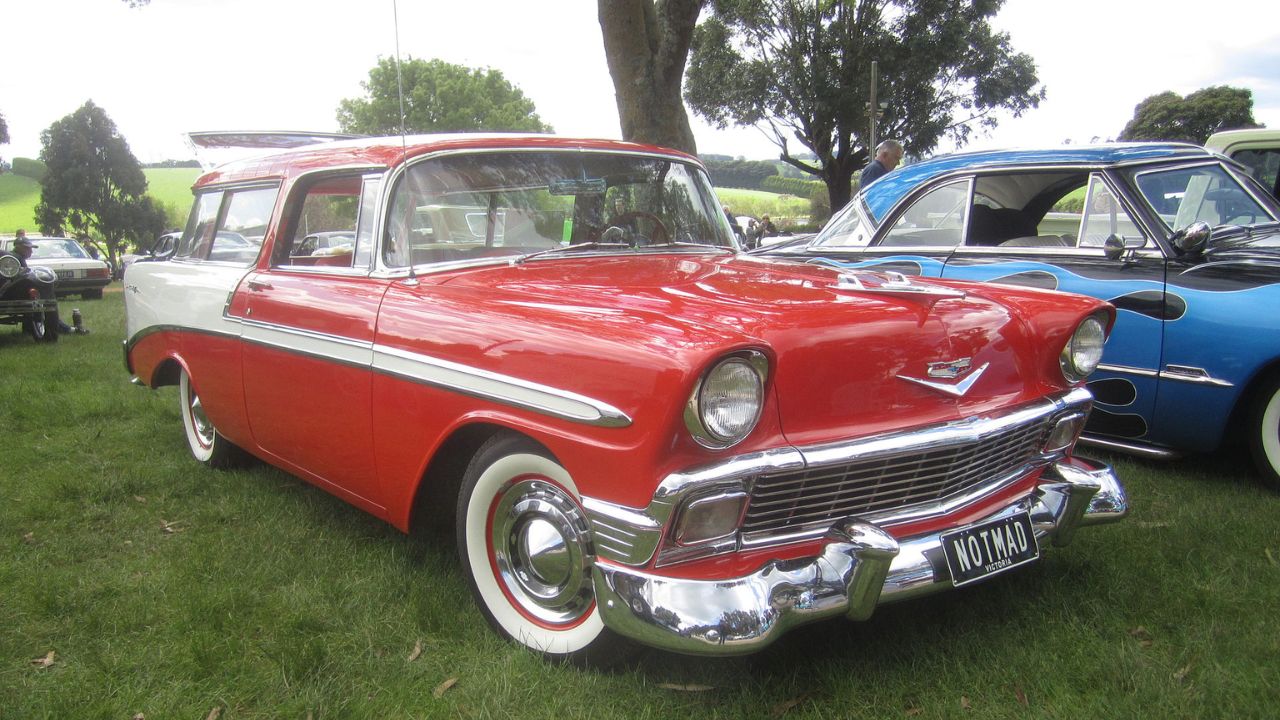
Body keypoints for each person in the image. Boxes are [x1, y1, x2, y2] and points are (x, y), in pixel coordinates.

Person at [12, 233, 85, 335]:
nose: (31, 251)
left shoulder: (17, 258)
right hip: (16, 294)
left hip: (18, 293)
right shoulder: (15, 258)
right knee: (46, 303)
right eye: (27, 248)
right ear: (18, 247)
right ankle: (69, 330)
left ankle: (29, 328)